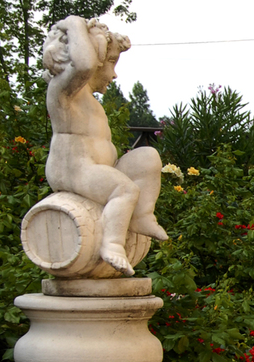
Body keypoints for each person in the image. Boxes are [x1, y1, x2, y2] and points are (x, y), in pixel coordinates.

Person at [43, 16, 167, 276]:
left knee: (148, 156)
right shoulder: (64, 90)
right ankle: (112, 244)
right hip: (73, 169)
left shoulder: (88, 98)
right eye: (111, 63)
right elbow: (84, 65)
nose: (114, 74)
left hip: (97, 168)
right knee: (124, 189)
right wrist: (74, 23)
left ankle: (141, 216)